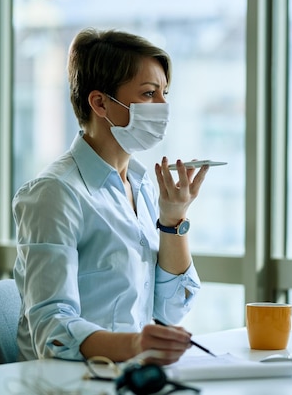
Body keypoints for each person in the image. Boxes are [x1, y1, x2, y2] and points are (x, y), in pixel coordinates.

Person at [13, 28, 209, 365]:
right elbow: (52, 332)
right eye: (149, 94)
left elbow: (171, 309)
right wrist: (135, 345)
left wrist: (173, 218)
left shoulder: (143, 187)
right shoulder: (54, 194)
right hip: (73, 384)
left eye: (165, 93)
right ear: (100, 102)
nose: (163, 106)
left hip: (129, 376)